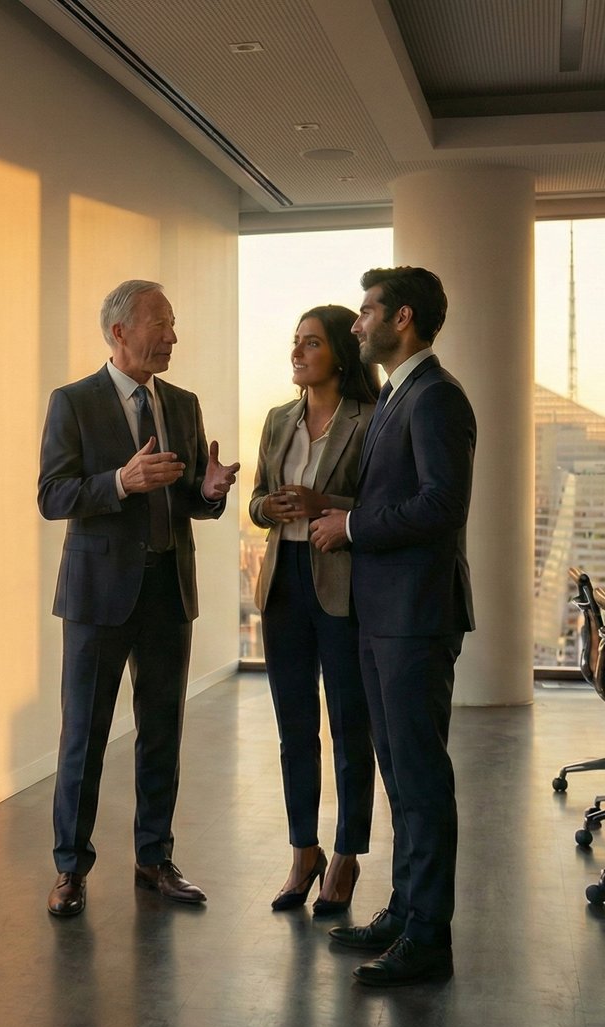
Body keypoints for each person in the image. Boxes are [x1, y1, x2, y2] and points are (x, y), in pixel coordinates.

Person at [36, 279, 240, 917]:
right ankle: (71, 869)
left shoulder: (182, 403)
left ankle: (155, 859)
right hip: (98, 598)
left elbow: (190, 504)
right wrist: (119, 482)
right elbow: (52, 496)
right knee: (85, 737)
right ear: (119, 331)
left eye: (174, 326)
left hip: (167, 592)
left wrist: (208, 492)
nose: (173, 337)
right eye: (162, 324)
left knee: (163, 733)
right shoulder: (72, 403)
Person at [309, 266, 474, 986]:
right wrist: (329, 504)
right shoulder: (397, 396)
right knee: (401, 777)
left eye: (367, 310)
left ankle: (429, 939)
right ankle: (405, 911)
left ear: (401, 318)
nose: (357, 323)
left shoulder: (437, 397)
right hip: (382, 615)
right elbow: (393, 495)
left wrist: (351, 524)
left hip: (415, 616)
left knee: (421, 778)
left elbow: (442, 504)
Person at [246, 305, 379, 915]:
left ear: (340, 356)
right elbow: (255, 504)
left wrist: (321, 500)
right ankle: (305, 851)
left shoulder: (369, 419)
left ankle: (348, 854)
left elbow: (380, 503)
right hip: (284, 584)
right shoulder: (277, 421)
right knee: (294, 726)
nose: (297, 353)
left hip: (343, 583)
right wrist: (267, 508)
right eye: (295, 342)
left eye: (312, 343)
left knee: (351, 725)